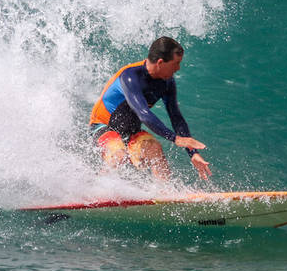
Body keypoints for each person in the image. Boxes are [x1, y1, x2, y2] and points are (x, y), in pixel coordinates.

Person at [89, 36, 211, 180]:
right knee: (118, 155)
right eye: (176, 63)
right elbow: (143, 114)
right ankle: (97, 190)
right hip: (103, 127)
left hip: (131, 132)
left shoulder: (167, 82)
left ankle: (164, 193)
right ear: (160, 62)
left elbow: (176, 117)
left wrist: (193, 153)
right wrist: (174, 138)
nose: (178, 68)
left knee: (155, 149)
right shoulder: (130, 76)